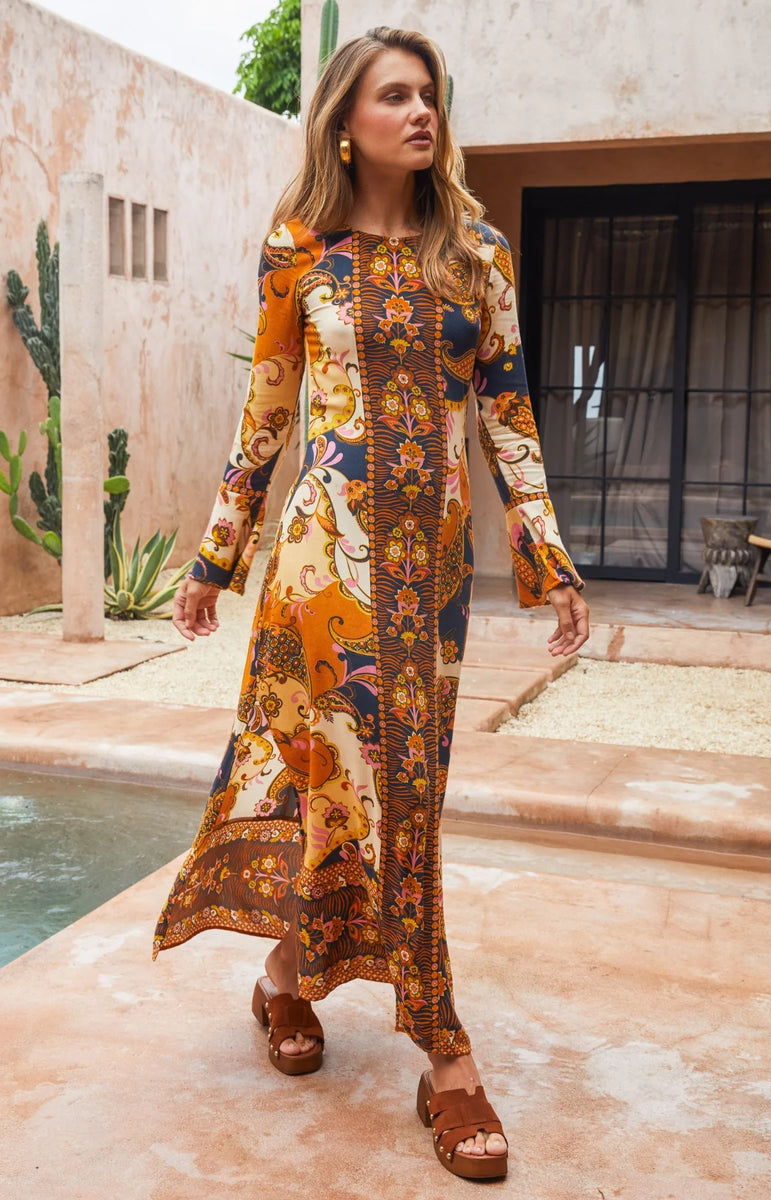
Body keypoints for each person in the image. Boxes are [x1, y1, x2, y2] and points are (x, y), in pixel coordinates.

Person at [153, 25, 589, 1182]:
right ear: (345, 122)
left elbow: (508, 416)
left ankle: (299, 983)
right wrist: (213, 558)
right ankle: (436, 1053)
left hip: (430, 575)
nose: (419, 112)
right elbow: (267, 414)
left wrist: (545, 556)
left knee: (410, 790)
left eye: (429, 94)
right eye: (394, 95)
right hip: (319, 574)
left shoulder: (478, 257)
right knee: (324, 777)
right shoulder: (297, 250)